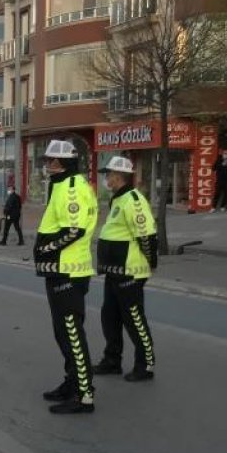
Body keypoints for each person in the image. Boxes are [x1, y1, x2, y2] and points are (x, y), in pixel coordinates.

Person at [34, 139, 99, 415]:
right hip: (61, 270)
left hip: (68, 271)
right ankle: (72, 383)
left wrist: (45, 249)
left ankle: (83, 395)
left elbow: (75, 230)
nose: (47, 164)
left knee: (72, 334)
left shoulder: (72, 188)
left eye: (50, 160)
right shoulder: (63, 185)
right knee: (63, 333)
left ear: (61, 163)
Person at [94, 156, 157, 382]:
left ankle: (145, 365)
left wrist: (150, 263)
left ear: (118, 176)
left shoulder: (133, 200)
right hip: (114, 271)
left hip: (130, 271)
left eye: (108, 174)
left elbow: (147, 235)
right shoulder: (118, 199)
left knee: (134, 319)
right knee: (109, 317)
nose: (106, 178)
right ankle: (112, 360)